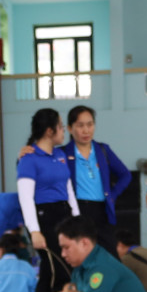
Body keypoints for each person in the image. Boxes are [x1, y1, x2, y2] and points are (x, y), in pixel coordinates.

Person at [61, 106, 130, 253]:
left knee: (110, 256)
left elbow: (125, 175)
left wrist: (112, 195)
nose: (86, 130)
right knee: (82, 256)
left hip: (102, 211)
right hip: (77, 211)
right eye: (80, 125)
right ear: (69, 128)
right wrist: (26, 152)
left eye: (90, 124)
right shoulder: (62, 153)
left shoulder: (103, 150)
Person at [16, 109, 78, 254]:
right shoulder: (28, 159)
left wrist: (77, 219)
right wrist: (34, 231)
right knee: (54, 264)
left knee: (69, 262)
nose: (63, 131)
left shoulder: (60, 154)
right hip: (45, 215)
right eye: (61, 126)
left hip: (64, 212)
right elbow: (26, 199)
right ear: (50, 131)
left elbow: (69, 190)